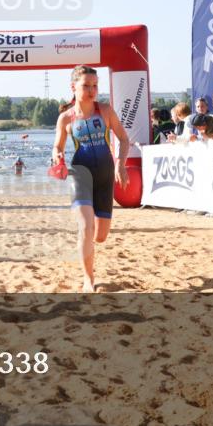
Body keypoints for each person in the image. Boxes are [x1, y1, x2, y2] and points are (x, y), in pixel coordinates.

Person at [52, 65, 129, 293]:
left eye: (95, 85)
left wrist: (121, 164)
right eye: (86, 85)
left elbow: (124, 139)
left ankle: (87, 242)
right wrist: (57, 157)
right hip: (80, 174)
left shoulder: (105, 111)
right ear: (73, 87)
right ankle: (88, 279)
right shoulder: (65, 118)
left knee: (100, 236)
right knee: (85, 227)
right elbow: (57, 146)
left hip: (105, 175)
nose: (92, 90)